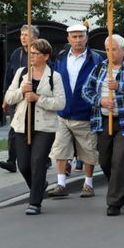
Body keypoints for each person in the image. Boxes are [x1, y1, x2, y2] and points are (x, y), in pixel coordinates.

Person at [82, 35, 124, 216]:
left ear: (122, 50)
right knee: (104, 160)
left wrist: (120, 86)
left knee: (119, 160)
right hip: (104, 119)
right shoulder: (100, 67)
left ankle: (114, 202)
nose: (109, 53)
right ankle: (118, 185)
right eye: (107, 49)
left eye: (113, 49)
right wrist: (100, 101)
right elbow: (85, 91)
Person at [4, 39, 66, 215]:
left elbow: (61, 103)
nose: (31, 56)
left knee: (38, 162)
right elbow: (9, 97)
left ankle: (35, 203)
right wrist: (22, 91)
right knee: (23, 165)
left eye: (35, 53)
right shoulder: (22, 73)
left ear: (45, 56)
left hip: (44, 128)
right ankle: (39, 186)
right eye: (30, 53)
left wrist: (38, 98)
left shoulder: (54, 77)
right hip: (22, 126)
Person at [47, 24, 103, 198]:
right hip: (63, 112)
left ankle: (88, 183)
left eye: (81, 36)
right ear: (68, 39)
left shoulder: (96, 59)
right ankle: (61, 183)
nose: (78, 40)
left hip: (85, 112)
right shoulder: (62, 57)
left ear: (86, 38)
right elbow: (55, 81)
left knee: (88, 150)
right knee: (61, 149)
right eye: (74, 37)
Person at [0, 24, 40, 173]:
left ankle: (43, 159)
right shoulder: (17, 53)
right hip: (16, 96)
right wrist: (6, 97)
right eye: (22, 35)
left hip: (33, 98)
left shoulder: (40, 53)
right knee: (14, 129)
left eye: (26, 35)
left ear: (35, 38)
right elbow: (8, 77)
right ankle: (11, 160)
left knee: (35, 129)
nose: (23, 37)